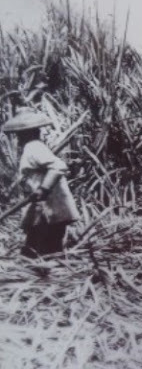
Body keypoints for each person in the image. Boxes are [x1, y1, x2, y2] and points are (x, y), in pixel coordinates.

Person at [2, 108, 80, 259]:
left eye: (20, 134)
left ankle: (48, 267)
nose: (18, 138)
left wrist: (44, 188)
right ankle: (37, 263)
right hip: (41, 205)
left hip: (49, 205)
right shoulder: (33, 147)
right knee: (36, 240)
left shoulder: (34, 147)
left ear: (27, 133)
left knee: (46, 243)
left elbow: (58, 166)